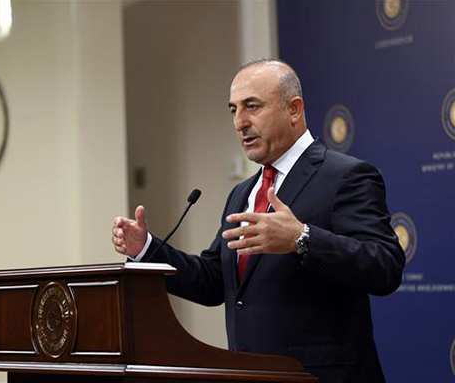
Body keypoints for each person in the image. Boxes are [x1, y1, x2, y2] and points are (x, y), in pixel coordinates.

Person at [112, 59, 405, 383]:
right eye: (234, 110)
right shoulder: (243, 192)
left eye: (252, 107)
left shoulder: (346, 176)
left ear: (294, 109)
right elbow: (213, 282)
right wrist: (147, 250)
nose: (240, 122)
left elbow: (385, 267)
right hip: (251, 374)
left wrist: (302, 238)